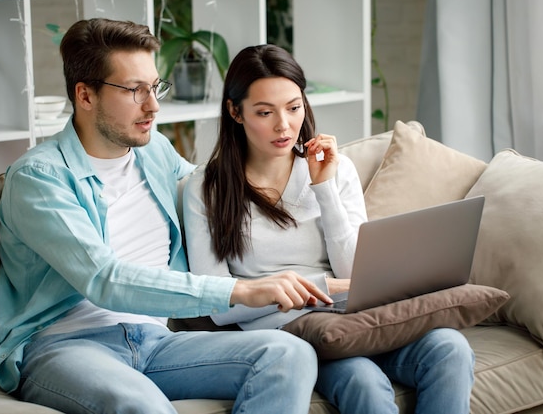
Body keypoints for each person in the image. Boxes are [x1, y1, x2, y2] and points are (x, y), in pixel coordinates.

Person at [0, 19, 333, 414]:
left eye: (155, 87)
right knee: (144, 407)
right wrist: (240, 290)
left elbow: (216, 191)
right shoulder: (40, 178)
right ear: (85, 96)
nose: (153, 105)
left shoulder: (153, 150)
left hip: (157, 340)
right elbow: (104, 279)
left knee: (288, 354)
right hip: (65, 344)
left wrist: (303, 172)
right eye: (134, 90)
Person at [182, 44, 476, 414]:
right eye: (264, 112)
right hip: (292, 333)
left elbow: (355, 273)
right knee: (363, 381)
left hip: (356, 315)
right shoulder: (205, 188)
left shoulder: (337, 170)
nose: (283, 125)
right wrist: (324, 289)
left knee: (450, 348)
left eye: (293, 107)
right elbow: (217, 306)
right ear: (235, 112)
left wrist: (325, 189)